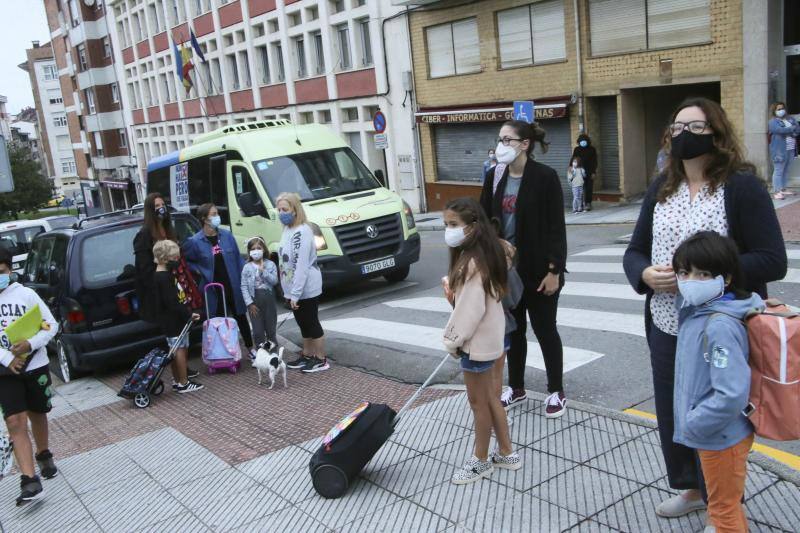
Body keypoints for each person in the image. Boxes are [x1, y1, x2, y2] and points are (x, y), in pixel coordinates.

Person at [623, 96, 786, 519]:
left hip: (722, 326)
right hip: (667, 323)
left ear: (716, 133)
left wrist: (707, 276)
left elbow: (772, 258)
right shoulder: (662, 188)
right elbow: (635, 251)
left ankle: (725, 501)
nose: (684, 135)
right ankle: (691, 487)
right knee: (672, 408)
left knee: (722, 411)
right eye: (677, 128)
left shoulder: (741, 187)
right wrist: (643, 275)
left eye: (695, 128)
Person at [671, 231, 761, 533]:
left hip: (720, 435)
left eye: (703, 273)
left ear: (727, 278)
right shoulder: (699, 313)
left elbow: (731, 394)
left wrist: (696, 421)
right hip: (716, 433)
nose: (691, 281)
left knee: (723, 511)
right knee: (726, 504)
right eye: (684, 272)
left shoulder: (719, 324)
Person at [479, 120, 568, 417]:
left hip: (540, 270)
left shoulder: (545, 177)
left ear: (524, 144)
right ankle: (516, 387)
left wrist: (555, 270)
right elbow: (484, 222)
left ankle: (556, 390)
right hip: (506, 272)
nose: (501, 145)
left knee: (545, 330)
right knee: (513, 332)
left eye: (508, 140)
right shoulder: (494, 177)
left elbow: (557, 227)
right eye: (500, 139)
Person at [441, 197, 521, 484]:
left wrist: (452, 340)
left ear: (472, 227)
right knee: (491, 398)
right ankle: (507, 453)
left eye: (453, 224)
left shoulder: (472, 263)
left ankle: (480, 460)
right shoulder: (490, 253)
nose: (448, 230)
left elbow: (469, 311)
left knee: (478, 404)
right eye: (445, 224)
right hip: (491, 339)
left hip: (475, 345)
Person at [0, 248, 59, 505]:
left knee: (38, 413)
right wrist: (7, 358)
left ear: (9, 270)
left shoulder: (26, 294)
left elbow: (51, 325)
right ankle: (29, 480)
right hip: (5, 370)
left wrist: (30, 344)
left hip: (35, 366)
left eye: (0, 271)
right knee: (14, 421)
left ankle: (43, 453)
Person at [134, 192, 201, 378]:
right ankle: (181, 377)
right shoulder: (144, 235)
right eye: (156, 206)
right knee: (175, 336)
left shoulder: (169, 228)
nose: (161, 209)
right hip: (163, 287)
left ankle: (183, 369)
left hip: (178, 282)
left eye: (162, 204)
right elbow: (144, 269)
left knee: (184, 333)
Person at [183, 203, 251, 353]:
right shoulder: (195, 242)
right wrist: (199, 270)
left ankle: (250, 349)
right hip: (213, 289)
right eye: (213, 215)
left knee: (241, 316)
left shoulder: (226, 236)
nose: (217, 217)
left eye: (216, 214)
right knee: (218, 321)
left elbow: (238, 258)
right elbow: (187, 261)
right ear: (204, 219)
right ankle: (223, 352)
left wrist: (245, 278)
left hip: (232, 284)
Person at [276, 193, 327, 373]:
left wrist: (295, 293)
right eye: (279, 209)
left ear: (295, 210)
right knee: (302, 323)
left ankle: (320, 359)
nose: (281, 213)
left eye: (285, 209)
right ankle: (307, 354)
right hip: (293, 288)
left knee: (311, 322)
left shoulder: (303, 231)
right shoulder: (287, 229)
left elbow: (301, 265)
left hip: (306, 287)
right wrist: (288, 292)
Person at [153, 240, 203, 394]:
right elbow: (172, 302)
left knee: (174, 349)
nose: (177, 261)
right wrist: (188, 314)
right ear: (165, 258)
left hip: (172, 319)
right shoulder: (164, 278)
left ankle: (177, 380)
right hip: (174, 320)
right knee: (180, 349)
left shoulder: (161, 275)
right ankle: (183, 382)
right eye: (174, 258)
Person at [241, 236, 279, 355]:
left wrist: (264, 272)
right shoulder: (247, 267)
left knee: (271, 329)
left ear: (264, 249)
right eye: (253, 249)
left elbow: (274, 281)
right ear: (249, 251)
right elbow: (244, 286)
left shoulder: (271, 264)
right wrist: (249, 303)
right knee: (257, 331)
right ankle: (261, 354)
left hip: (268, 299)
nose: (256, 251)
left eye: (259, 248)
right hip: (254, 301)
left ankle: (274, 354)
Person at [767, 102, 799, 200]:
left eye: (782, 108)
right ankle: (777, 191)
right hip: (779, 150)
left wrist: (788, 129)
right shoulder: (772, 121)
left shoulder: (790, 119)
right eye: (778, 109)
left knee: (786, 170)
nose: (781, 111)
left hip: (790, 148)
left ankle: (783, 189)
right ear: (774, 111)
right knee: (778, 171)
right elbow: (778, 130)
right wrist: (791, 129)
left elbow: (798, 130)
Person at [571, 134, 598, 211]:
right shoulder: (577, 149)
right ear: (579, 142)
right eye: (581, 141)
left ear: (587, 141)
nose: (583, 142)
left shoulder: (592, 149)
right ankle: (580, 204)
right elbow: (573, 159)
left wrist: (593, 172)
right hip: (579, 171)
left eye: (584, 141)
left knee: (589, 188)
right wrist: (571, 168)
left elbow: (594, 161)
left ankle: (588, 203)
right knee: (579, 188)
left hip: (589, 171)